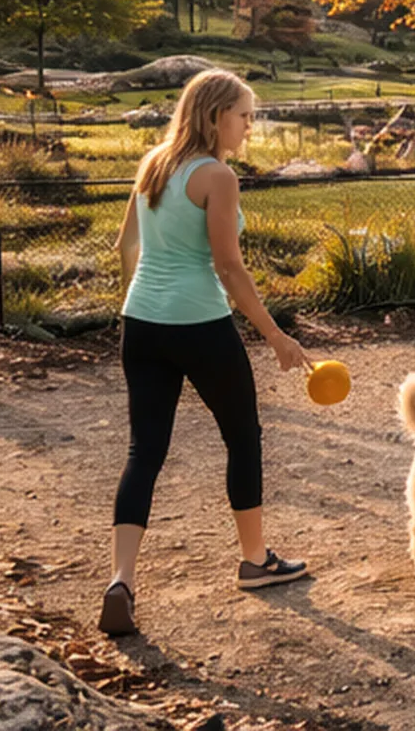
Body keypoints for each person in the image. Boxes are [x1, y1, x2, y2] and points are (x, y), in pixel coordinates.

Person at [103, 70, 314, 638]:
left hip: (141, 322)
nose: (249, 126)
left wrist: (139, 303)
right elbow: (227, 266)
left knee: (144, 451)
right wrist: (275, 336)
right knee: (242, 436)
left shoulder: (154, 163)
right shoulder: (217, 176)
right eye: (244, 115)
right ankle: (255, 561)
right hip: (199, 324)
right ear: (216, 115)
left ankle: (122, 579)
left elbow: (127, 245)